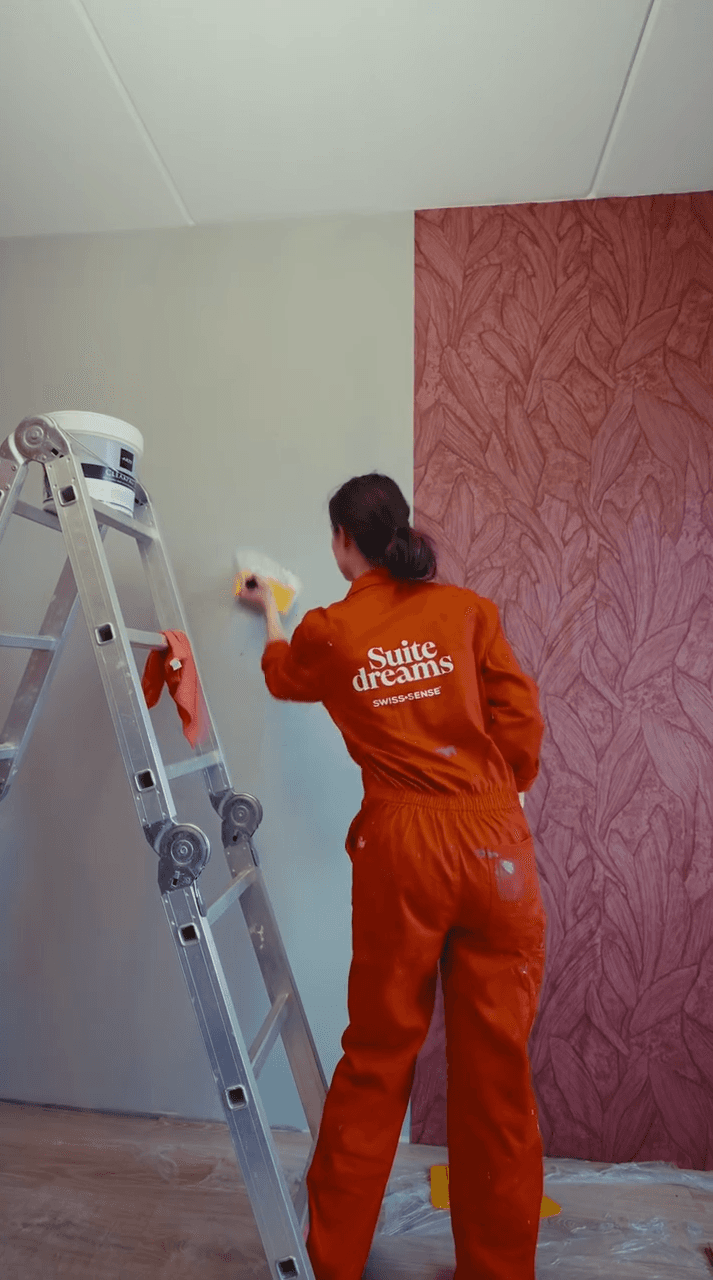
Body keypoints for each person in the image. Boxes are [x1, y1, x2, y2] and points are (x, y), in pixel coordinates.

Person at [238, 473, 546, 1280]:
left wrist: (269, 608)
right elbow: (521, 721)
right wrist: (498, 795)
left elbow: (282, 674)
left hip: (403, 852)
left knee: (378, 1058)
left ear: (343, 542)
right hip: (494, 848)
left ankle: (329, 1262)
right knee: (498, 1077)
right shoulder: (468, 612)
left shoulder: (330, 631)